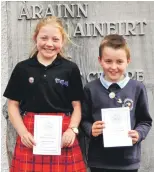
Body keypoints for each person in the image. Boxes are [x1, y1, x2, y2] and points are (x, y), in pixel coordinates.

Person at [3, 16, 86, 172]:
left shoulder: (70, 69)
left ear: (62, 42)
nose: (49, 44)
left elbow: (77, 106)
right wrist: (22, 132)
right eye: (44, 38)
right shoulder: (22, 68)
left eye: (55, 39)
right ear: (36, 38)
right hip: (30, 132)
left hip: (63, 133)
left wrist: (72, 129)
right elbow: (12, 105)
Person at [80, 34, 152, 172]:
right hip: (99, 161)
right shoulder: (90, 88)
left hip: (128, 162)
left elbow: (145, 121)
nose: (113, 67)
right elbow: (83, 120)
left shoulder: (137, 88)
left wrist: (138, 134)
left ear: (128, 61)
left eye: (119, 61)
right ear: (100, 61)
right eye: (108, 61)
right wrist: (90, 129)